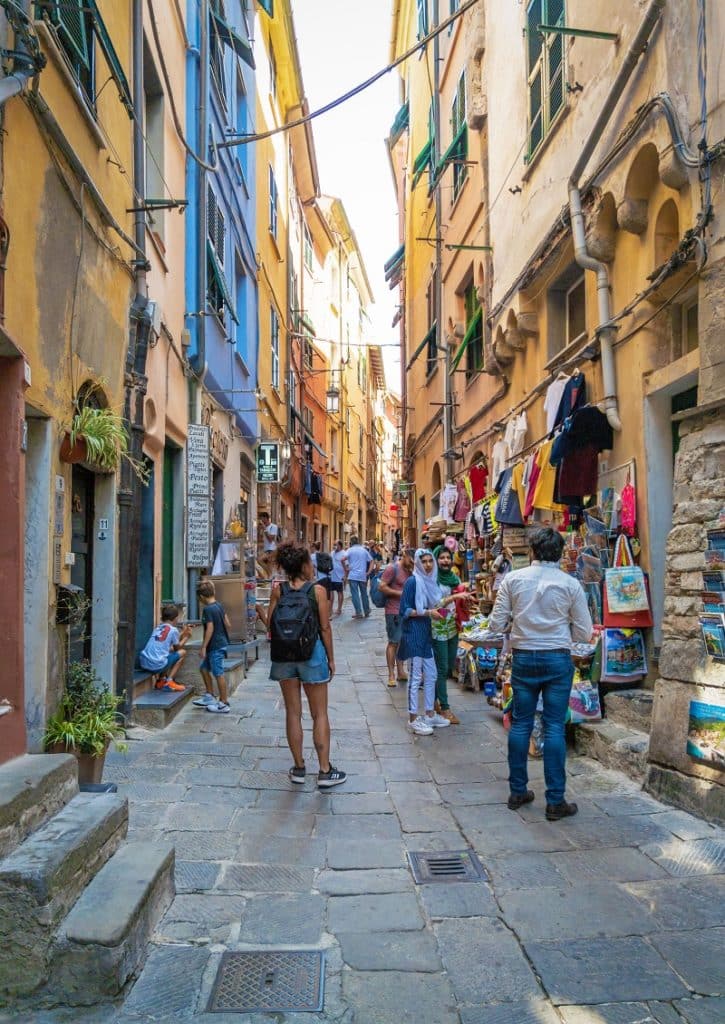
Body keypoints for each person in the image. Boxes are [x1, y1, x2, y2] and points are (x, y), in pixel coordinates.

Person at [488, 526, 593, 821]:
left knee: (521, 724)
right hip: (558, 659)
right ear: (559, 553)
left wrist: (520, 624)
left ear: (532, 551)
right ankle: (555, 800)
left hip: (524, 659)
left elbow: (496, 625)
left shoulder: (513, 579)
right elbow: (584, 632)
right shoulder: (570, 584)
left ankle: (518, 790)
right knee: (554, 726)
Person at [268, 542, 346, 788]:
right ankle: (324, 771)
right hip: (312, 655)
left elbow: (270, 625)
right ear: (303, 565)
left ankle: (299, 768)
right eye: (310, 563)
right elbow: (325, 628)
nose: (312, 567)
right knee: (319, 713)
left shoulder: (278, 591)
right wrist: (331, 659)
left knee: (293, 713)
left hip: (284, 657)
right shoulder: (318, 591)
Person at [398, 550, 454, 735]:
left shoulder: (429, 582)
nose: (428, 565)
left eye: (431, 561)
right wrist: (428, 613)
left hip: (426, 635)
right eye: (424, 561)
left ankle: (429, 714)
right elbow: (405, 611)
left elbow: (434, 604)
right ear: (417, 563)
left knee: (432, 674)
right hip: (414, 635)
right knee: (415, 678)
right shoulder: (413, 582)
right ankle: (413, 719)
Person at [431, 546, 475, 724]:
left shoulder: (454, 578)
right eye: (441, 558)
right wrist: (455, 597)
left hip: (452, 626)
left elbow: (459, 596)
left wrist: (466, 598)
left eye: (448, 558)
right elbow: (434, 603)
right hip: (437, 628)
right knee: (442, 668)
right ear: (436, 560)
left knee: (449, 666)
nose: (445, 561)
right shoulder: (432, 580)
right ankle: (445, 708)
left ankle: (432, 700)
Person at [194, 580, 232, 713]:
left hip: (214, 646)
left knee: (218, 673)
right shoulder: (219, 606)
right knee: (204, 669)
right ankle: (209, 695)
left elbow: (210, 628)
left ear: (201, 597)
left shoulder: (208, 609)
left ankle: (223, 703)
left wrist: (203, 646)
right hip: (219, 643)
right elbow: (228, 623)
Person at [378, 548, 413, 688]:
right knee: (393, 642)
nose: (412, 564)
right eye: (410, 561)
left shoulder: (411, 570)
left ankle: (400, 671)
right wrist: (401, 594)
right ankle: (391, 674)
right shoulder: (392, 569)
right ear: (404, 556)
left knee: (402, 642)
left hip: (407, 611)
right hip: (393, 611)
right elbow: (382, 587)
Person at [139, 604, 192, 691]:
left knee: (166, 654)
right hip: (156, 665)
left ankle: (161, 681)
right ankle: (169, 682)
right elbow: (177, 649)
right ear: (175, 618)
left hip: (144, 662)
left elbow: (167, 645)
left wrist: (182, 632)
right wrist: (186, 637)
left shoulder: (158, 628)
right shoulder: (173, 630)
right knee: (182, 653)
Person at [344, 535, 372, 619]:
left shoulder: (349, 550)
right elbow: (371, 560)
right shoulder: (364, 550)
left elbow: (343, 559)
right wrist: (369, 572)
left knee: (355, 594)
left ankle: (358, 612)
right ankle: (366, 611)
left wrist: (346, 568)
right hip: (362, 575)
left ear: (351, 542)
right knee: (364, 593)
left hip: (353, 575)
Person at [329, 540, 347, 616]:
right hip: (331, 576)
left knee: (340, 592)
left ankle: (339, 609)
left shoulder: (344, 554)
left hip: (340, 577)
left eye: (335, 544)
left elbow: (347, 566)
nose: (334, 546)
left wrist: (345, 576)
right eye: (334, 544)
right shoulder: (332, 553)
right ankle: (330, 609)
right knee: (330, 592)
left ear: (340, 545)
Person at [259, 512, 279, 576]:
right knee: (268, 566)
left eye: (262, 518)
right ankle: (270, 576)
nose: (261, 520)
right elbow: (260, 539)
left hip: (271, 550)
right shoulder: (264, 527)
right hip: (266, 549)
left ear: (266, 518)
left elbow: (270, 540)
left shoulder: (273, 526)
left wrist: (265, 530)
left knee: (259, 560)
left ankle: (271, 575)